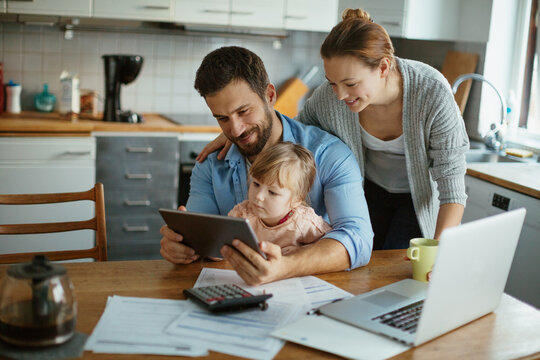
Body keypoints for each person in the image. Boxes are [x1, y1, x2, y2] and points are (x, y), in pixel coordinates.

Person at [198, 9, 469, 250]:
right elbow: (295, 131)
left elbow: (452, 187)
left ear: (384, 67)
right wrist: (238, 130)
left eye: (350, 84)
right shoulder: (331, 98)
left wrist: (442, 252)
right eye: (332, 83)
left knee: (403, 266)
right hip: (368, 189)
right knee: (367, 268)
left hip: (416, 197)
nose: (340, 95)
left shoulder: (431, 93)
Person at [160, 46, 373, 285]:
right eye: (222, 118)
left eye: (244, 111)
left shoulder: (329, 155)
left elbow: (359, 239)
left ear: (270, 96)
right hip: (236, 291)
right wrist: (182, 246)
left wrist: (285, 267)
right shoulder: (210, 164)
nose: (236, 130)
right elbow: (202, 239)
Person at [228, 141, 331, 256]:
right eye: (256, 184)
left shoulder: (304, 223)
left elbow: (331, 248)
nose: (258, 196)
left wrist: (303, 251)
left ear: (297, 199)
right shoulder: (243, 214)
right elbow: (222, 241)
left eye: (272, 192)